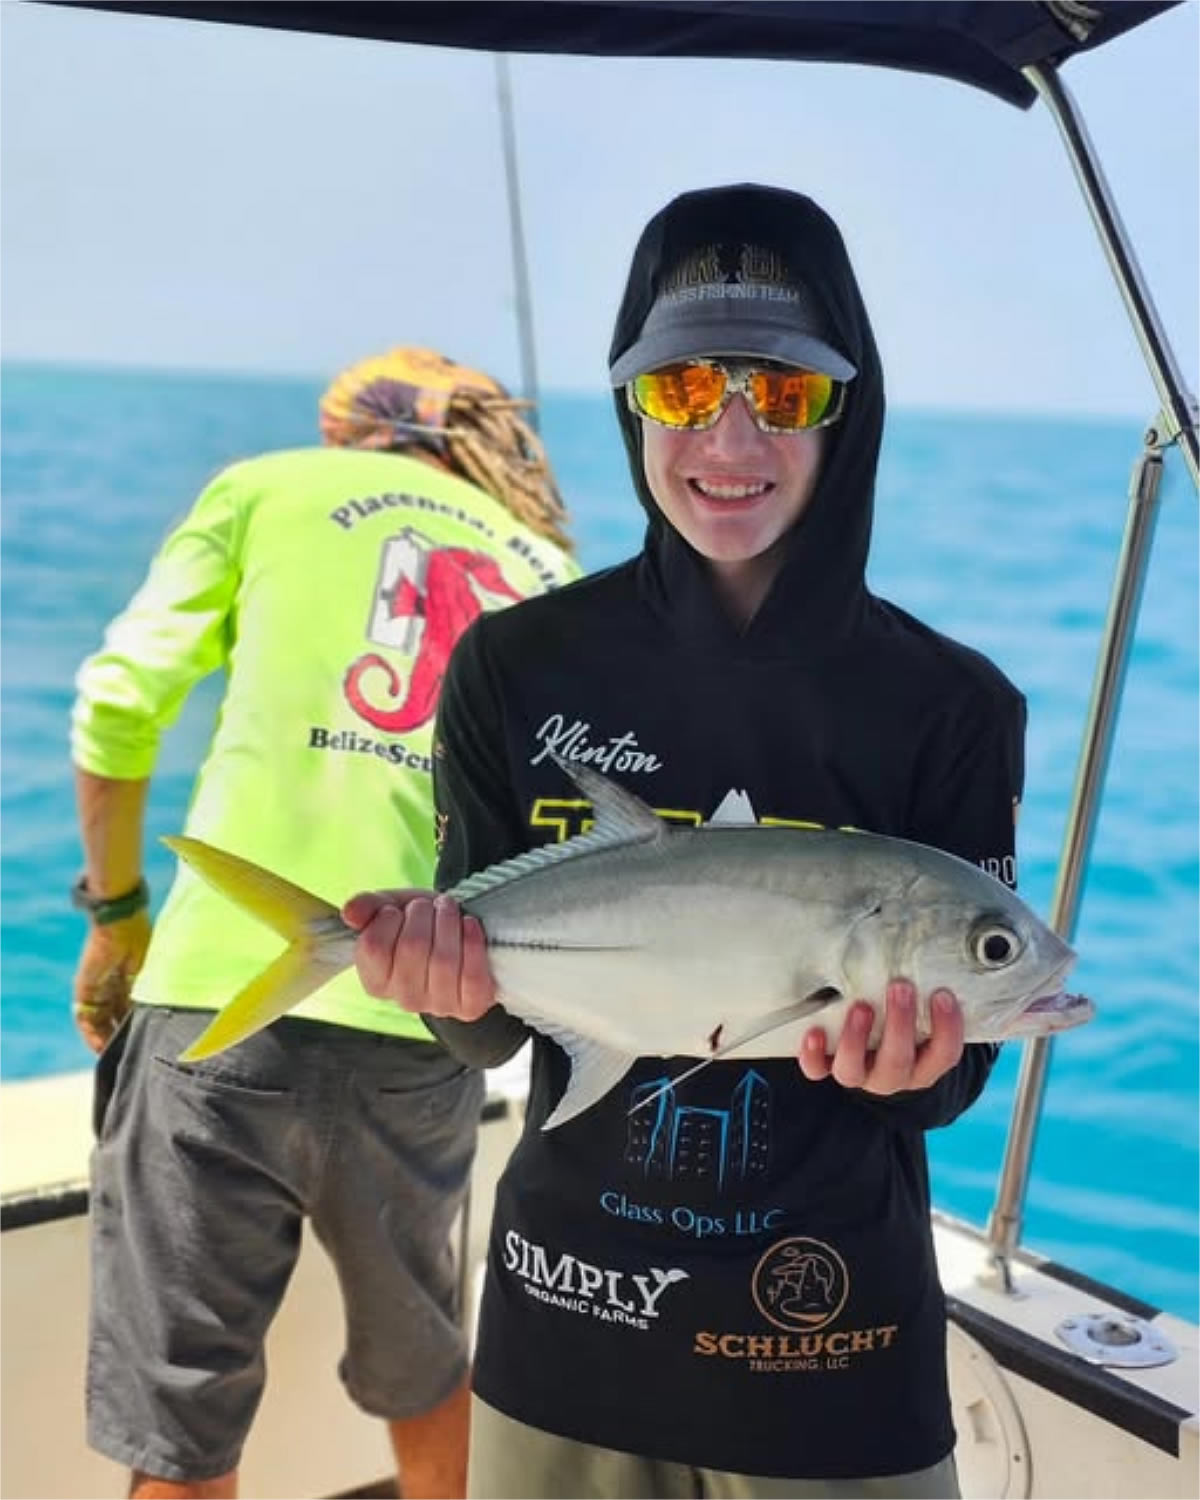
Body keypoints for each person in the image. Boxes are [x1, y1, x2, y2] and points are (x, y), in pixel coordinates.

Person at [344, 187, 1028, 1499]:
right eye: (681, 390)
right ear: (630, 401)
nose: (727, 435)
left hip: (833, 1351)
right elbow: (489, 1030)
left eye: (780, 394)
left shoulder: (950, 705)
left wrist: (925, 1066)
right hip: (564, 1326)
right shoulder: (515, 663)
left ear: (847, 406)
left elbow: (957, 1068)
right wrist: (440, 989)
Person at [69, 346, 579, 1500]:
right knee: (426, 1366)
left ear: (350, 433)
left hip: (223, 997)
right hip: (431, 1018)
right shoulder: (550, 566)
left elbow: (114, 706)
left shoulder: (267, 485)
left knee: (183, 1430)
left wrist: (117, 916)